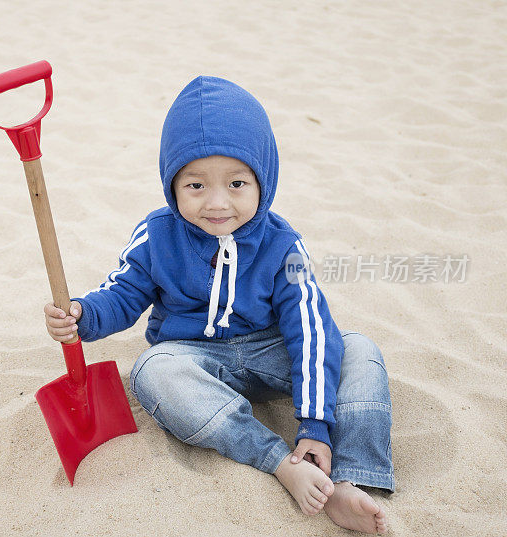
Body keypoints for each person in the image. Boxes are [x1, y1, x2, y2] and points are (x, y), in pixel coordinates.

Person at [43, 76, 394, 534]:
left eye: (235, 183)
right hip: (195, 356)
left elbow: (309, 329)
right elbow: (124, 294)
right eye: (195, 185)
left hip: (272, 351)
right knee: (154, 370)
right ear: (172, 184)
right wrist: (84, 315)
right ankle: (277, 461)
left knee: (359, 349)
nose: (216, 203)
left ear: (262, 180)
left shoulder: (283, 245)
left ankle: (351, 478)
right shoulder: (157, 235)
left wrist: (313, 425)